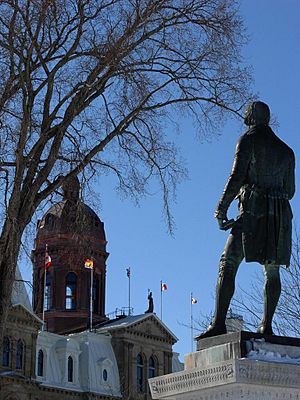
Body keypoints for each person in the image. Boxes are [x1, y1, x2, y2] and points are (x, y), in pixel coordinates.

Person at [199, 101, 295, 338]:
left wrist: (221, 209)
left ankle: (219, 323)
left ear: (251, 117)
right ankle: (267, 324)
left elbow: (236, 177)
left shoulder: (248, 141)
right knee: (272, 271)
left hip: (253, 210)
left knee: (228, 262)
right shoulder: (287, 151)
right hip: (278, 213)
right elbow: (290, 191)